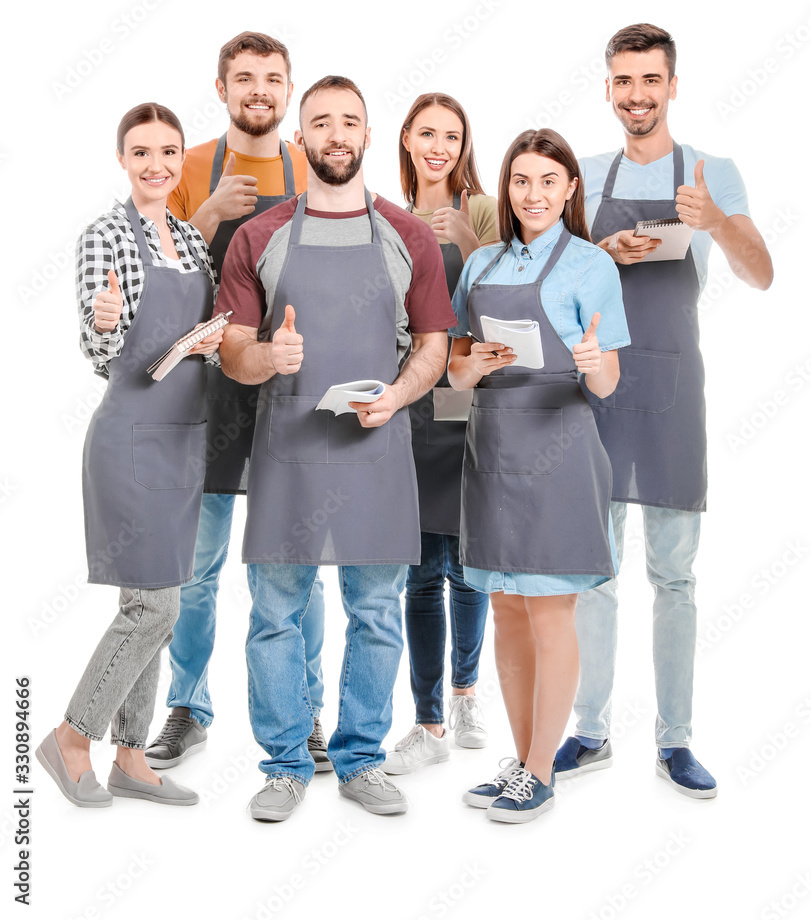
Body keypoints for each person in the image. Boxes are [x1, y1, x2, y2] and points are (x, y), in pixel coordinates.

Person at [214, 75, 455, 820]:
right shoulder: (260, 235)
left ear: (367, 136)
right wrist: (267, 359)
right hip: (286, 445)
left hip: (375, 451)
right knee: (275, 613)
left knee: (377, 611)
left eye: (349, 121)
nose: (336, 134)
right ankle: (286, 764)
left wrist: (400, 393)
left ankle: (359, 760)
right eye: (321, 122)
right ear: (302, 138)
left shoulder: (407, 236)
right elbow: (228, 348)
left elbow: (434, 343)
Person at [555, 23, 773, 799]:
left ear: (672, 84)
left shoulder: (713, 171)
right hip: (599, 392)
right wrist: (594, 255)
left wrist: (714, 221)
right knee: (593, 573)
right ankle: (589, 729)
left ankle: (675, 741)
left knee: (674, 576)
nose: (636, 95)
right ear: (607, 87)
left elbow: (762, 276)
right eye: (622, 81)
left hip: (674, 391)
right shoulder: (582, 174)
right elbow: (549, 290)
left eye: (649, 80)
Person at [145, 33, 330, 773]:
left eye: (273, 79)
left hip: (292, 388)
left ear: (289, 91)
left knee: (295, 564)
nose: (260, 89)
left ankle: (306, 712)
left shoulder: (314, 169)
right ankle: (187, 706)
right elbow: (152, 290)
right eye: (244, 78)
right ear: (220, 88)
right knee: (195, 565)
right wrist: (206, 219)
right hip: (207, 395)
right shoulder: (188, 171)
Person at [36, 103, 222, 808]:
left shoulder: (187, 237)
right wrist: (104, 320)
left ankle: (133, 758)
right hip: (130, 438)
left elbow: (199, 322)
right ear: (122, 159)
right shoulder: (105, 235)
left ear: (180, 160)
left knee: (156, 602)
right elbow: (98, 340)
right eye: (141, 152)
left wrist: (207, 339)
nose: (156, 165)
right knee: (153, 606)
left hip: (183, 439)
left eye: (168, 153)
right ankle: (71, 736)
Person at [448, 128, 630, 823]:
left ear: (568, 189)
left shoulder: (591, 266)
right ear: (507, 188)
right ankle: (523, 761)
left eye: (547, 181)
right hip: (492, 445)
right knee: (503, 606)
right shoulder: (481, 265)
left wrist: (593, 362)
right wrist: (476, 365)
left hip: (559, 445)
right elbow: (456, 373)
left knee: (550, 608)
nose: (533, 194)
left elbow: (608, 382)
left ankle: (541, 771)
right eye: (520, 182)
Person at [383, 93, 498, 775]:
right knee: (421, 570)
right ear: (405, 139)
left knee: (469, 564)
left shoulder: (483, 210)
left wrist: (466, 241)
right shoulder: (385, 218)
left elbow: (509, 294)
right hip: (411, 405)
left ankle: (465, 696)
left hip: (469, 399)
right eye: (426, 133)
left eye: (450, 136)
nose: (438, 147)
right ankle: (426, 723)